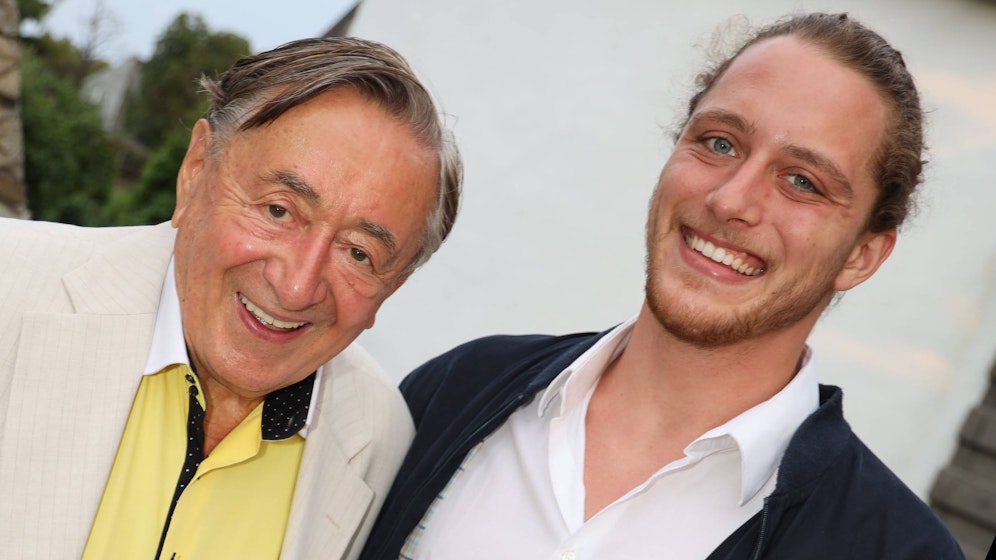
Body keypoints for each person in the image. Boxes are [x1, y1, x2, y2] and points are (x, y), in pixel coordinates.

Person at [360, 12, 965, 560]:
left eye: (802, 181)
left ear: (861, 254)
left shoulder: (896, 550)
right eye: (720, 143)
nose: (731, 200)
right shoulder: (458, 390)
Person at [0, 36, 461, 559]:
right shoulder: (10, 284)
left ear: (394, 284)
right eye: (278, 210)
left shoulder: (380, 441)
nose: (296, 287)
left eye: (359, 253)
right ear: (196, 169)